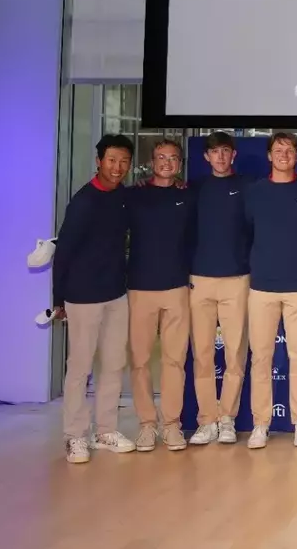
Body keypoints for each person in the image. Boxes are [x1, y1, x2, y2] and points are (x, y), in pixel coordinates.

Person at [54, 135, 138, 463]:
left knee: (114, 364)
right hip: (82, 296)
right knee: (80, 367)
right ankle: (75, 436)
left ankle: (105, 430)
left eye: (123, 162)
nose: (117, 168)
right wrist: (59, 297)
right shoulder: (84, 201)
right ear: (99, 161)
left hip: (116, 293)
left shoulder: (123, 199)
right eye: (112, 160)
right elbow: (64, 252)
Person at [243, 132, 297, 449]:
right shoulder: (254, 192)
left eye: (290, 150)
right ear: (269, 155)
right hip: (262, 286)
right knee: (260, 358)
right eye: (278, 149)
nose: (284, 154)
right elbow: (248, 229)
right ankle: (260, 424)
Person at [125, 139, 195, 452]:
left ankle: (171, 425)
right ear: (152, 162)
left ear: (180, 163)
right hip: (140, 288)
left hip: (177, 288)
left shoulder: (188, 195)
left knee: (174, 361)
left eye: (173, 158)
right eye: (161, 157)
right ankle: (146, 425)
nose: (167, 163)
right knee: (139, 361)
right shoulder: (134, 195)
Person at [187, 132, 250, 447]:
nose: (221, 157)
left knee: (235, 354)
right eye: (215, 152)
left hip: (236, 279)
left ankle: (227, 418)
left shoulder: (248, 187)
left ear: (233, 155)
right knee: (202, 354)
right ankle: (206, 420)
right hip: (199, 280)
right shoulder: (194, 188)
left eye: (226, 151)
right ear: (206, 157)